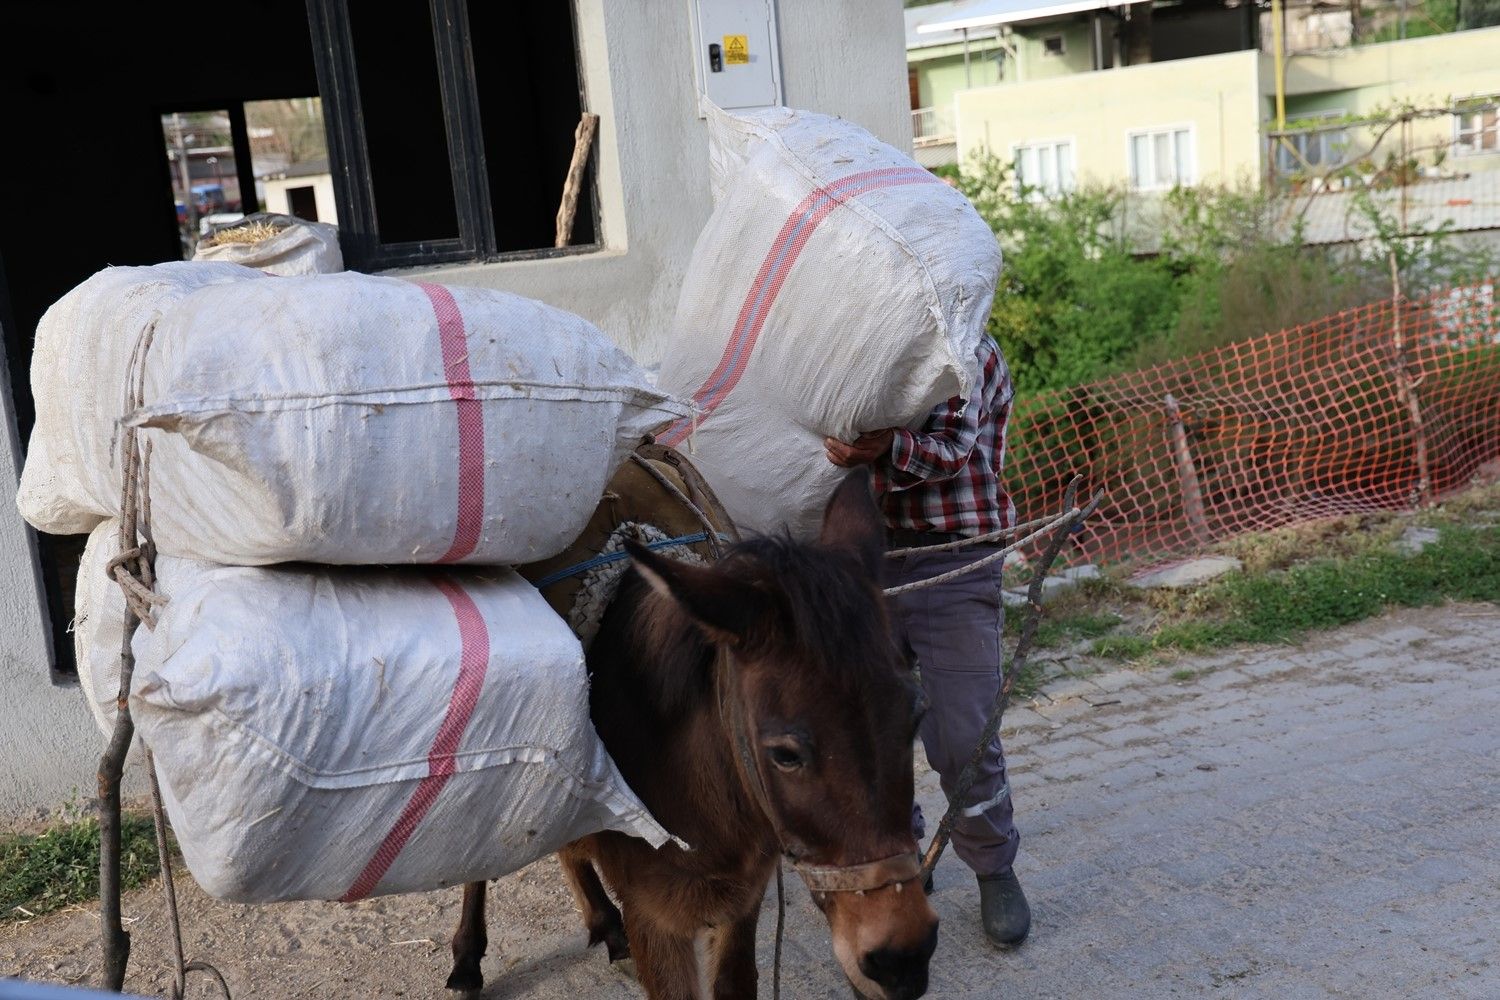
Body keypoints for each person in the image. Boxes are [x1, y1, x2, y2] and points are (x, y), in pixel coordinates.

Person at [823, 334, 1030, 948]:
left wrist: (885, 447)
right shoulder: (861, 344)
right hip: (868, 561)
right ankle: (904, 853)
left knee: (963, 735)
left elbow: (952, 450)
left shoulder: (966, 347)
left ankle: (994, 866)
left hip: (957, 559)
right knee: (869, 733)